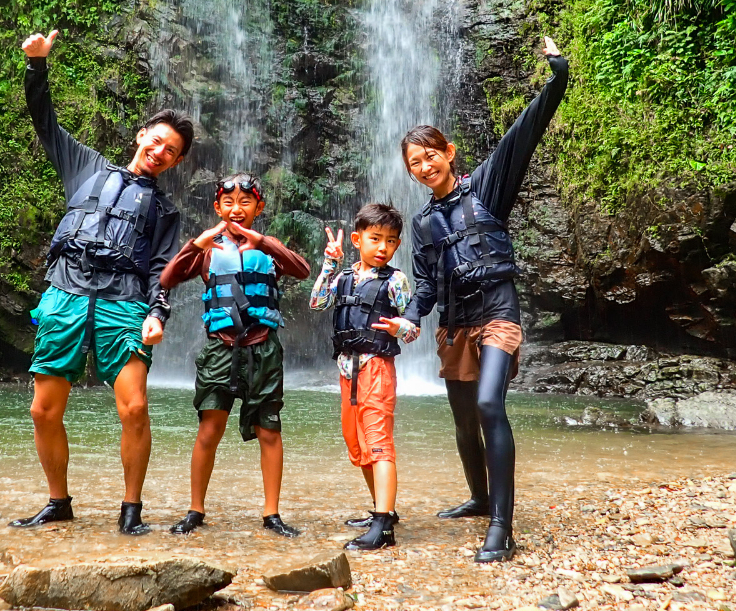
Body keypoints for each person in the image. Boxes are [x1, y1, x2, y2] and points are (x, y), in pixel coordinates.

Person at [14, 28, 193, 535]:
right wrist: (36, 65)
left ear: (176, 162)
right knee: (43, 410)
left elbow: (162, 269)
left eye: (171, 150)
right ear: (141, 135)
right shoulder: (86, 168)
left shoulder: (164, 210)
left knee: (134, 407)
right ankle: (58, 502)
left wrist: (157, 313)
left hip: (124, 304)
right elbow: (44, 121)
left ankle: (131, 509)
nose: (159, 151)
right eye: (156, 140)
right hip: (66, 294)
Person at [401, 35, 569, 563]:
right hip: (454, 324)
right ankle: (478, 497)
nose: (424, 166)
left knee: (490, 403)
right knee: (462, 421)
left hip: (497, 315)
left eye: (430, 156)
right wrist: (409, 319)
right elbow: (425, 284)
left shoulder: (487, 189)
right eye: (415, 163)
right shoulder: (422, 223)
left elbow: (524, 135)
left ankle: (502, 526)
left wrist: (557, 75)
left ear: (449, 153)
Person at [159, 172, 311, 538]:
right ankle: (196, 509)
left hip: (263, 348)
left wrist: (263, 242)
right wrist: (195, 245)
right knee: (209, 428)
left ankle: (271, 514)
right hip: (220, 349)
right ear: (217, 207)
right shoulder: (208, 250)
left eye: (245, 202)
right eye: (228, 202)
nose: (236, 209)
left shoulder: (268, 247)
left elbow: (302, 270)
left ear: (259, 207)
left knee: (269, 429)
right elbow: (167, 278)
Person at [309, 203, 419, 551]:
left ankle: (383, 526)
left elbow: (413, 329)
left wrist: (401, 327)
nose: (383, 247)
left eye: (391, 240)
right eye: (375, 238)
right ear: (357, 240)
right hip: (347, 369)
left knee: (378, 442)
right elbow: (317, 303)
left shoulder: (396, 281)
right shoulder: (343, 277)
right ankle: (381, 510)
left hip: (376, 368)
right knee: (356, 444)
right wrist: (329, 264)